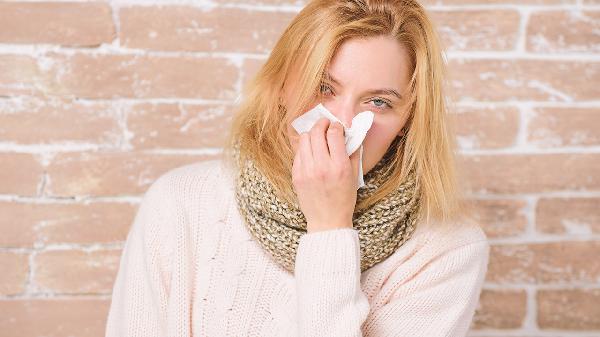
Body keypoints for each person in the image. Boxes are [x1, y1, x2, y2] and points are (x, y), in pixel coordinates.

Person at [105, 1, 490, 336]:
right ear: (282, 87)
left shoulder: (446, 250)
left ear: (408, 119)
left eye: (377, 101)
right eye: (324, 88)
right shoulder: (181, 204)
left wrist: (329, 228)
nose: (339, 123)